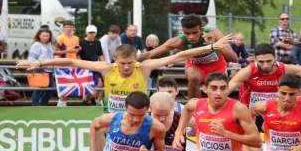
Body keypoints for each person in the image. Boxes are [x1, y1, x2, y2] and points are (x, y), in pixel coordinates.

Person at [16, 34, 234, 113]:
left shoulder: (144, 67)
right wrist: (40, 63)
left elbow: (180, 55)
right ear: (116, 61)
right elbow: (71, 60)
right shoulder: (106, 68)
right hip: (113, 116)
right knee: (97, 126)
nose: (127, 67)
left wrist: (213, 47)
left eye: (130, 63)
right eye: (123, 64)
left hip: (138, 116)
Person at [138, 14, 238, 99]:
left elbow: (234, 59)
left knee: (217, 91)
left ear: (201, 29)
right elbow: (150, 53)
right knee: (194, 77)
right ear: (183, 31)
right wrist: (130, 59)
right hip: (196, 67)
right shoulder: (179, 41)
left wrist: (215, 45)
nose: (191, 37)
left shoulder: (214, 33)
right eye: (187, 33)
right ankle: (194, 109)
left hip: (217, 66)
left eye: (195, 32)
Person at [27, 28, 55, 106]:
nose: (45, 37)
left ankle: (43, 105)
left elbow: (51, 57)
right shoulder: (36, 45)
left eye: (47, 36)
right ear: (39, 36)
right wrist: (36, 65)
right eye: (43, 35)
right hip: (40, 70)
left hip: (49, 70)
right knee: (38, 90)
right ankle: (35, 106)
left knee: (50, 90)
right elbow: (31, 58)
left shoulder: (49, 45)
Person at [79, 25, 104, 105]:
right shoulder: (81, 42)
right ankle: (85, 100)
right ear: (86, 33)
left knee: (100, 83)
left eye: (93, 32)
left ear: (95, 33)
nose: (91, 34)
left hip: (95, 66)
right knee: (86, 84)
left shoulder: (97, 42)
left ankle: (94, 99)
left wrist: (103, 65)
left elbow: (100, 55)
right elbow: (78, 55)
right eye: (90, 32)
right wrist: (81, 64)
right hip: (85, 66)